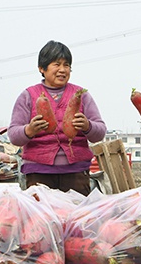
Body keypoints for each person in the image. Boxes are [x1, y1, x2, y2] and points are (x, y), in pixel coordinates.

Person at [8, 40, 107, 195]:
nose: (62, 70)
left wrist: (88, 126)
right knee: (43, 218)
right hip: (38, 173)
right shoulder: (28, 96)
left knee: (76, 217)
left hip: (76, 173)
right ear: (42, 68)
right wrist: (29, 130)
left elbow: (100, 132)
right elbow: (14, 136)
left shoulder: (82, 95)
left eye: (66, 65)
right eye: (57, 64)